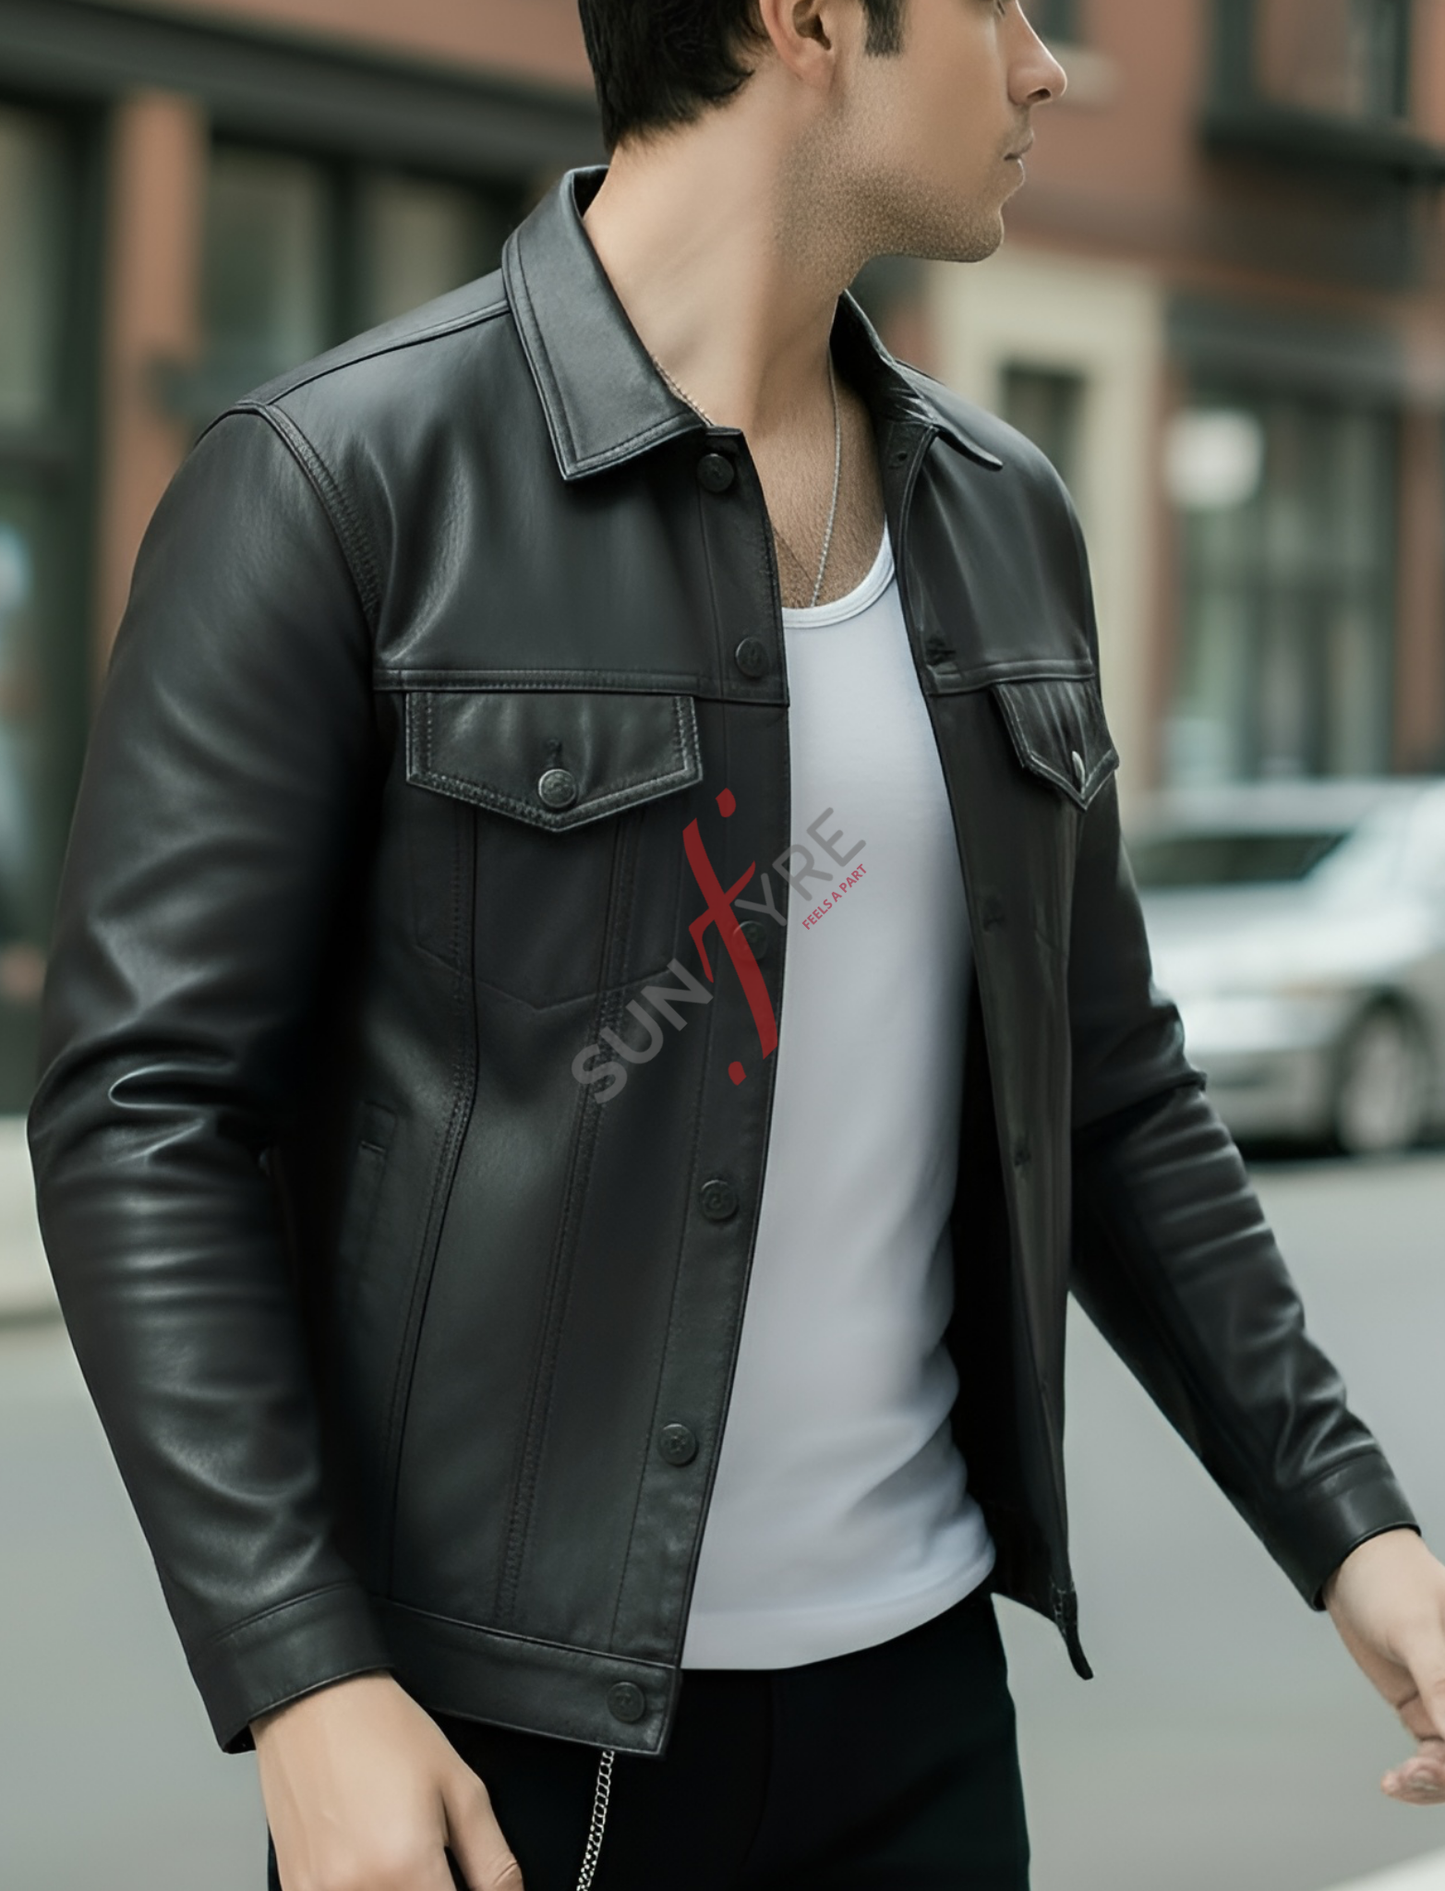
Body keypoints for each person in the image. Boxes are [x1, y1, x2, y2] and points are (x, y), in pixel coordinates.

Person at [29, 3, 1445, 1887]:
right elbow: (148, 1112)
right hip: (508, 1754)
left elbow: (1110, 1088)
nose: (1040, 65)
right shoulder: (341, 482)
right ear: (802, 22)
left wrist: (1358, 1528)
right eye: (1000, 7)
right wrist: (303, 1677)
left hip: (921, 1721)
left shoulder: (1003, 518)